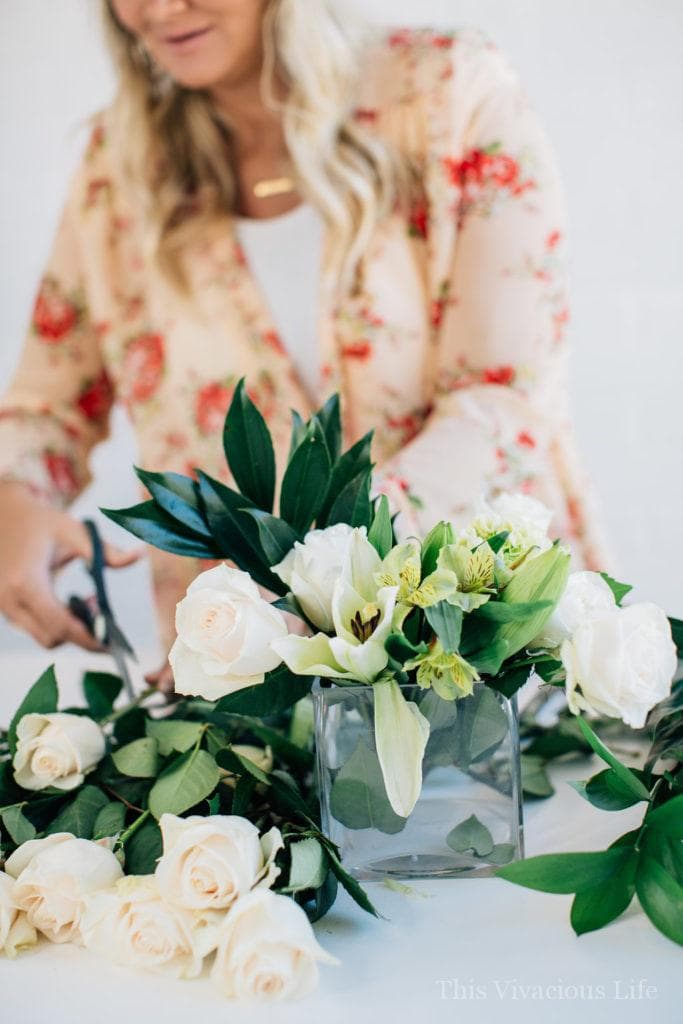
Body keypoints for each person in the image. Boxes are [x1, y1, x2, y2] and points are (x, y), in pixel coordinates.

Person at [0, 0, 615, 689]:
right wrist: (13, 499)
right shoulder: (120, 168)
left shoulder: (447, 91)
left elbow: (505, 396)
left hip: (482, 664)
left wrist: (314, 581)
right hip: (245, 704)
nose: (159, 8)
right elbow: (45, 408)